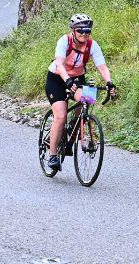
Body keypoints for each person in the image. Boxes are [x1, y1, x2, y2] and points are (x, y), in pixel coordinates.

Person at [44, 13, 116, 172]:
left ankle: (76, 127)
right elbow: (60, 64)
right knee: (61, 115)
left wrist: (109, 83)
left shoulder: (92, 45)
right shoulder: (64, 41)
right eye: (80, 31)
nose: (84, 34)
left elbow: (102, 67)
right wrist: (67, 81)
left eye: (87, 31)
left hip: (77, 78)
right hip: (56, 78)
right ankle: (53, 155)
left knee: (88, 100)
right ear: (73, 31)